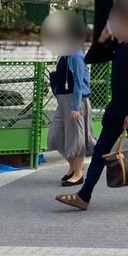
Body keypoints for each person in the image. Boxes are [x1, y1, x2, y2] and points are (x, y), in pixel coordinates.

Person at [56, 0, 128, 210]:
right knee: (102, 152)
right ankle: (84, 196)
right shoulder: (120, 43)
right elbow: (91, 58)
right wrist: (103, 37)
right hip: (117, 109)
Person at [46, 15, 93, 186]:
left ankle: (78, 173)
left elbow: (79, 82)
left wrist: (75, 106)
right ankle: (73, 166)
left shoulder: (76, 55)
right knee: (55, 137)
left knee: (76, 138)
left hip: (76, 101)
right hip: (63, 100)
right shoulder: (65, 55)